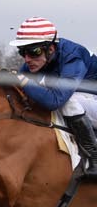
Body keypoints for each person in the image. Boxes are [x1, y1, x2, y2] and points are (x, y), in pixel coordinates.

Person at [7, 17, 97, 169]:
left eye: (33, 52)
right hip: (86, 99)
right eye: (22, 52)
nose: (27, 59)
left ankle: (94, 156)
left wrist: (23, 81)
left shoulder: (73, 56)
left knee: (68, 102)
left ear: (51, 49)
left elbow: (55, 101)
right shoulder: (39, 58)